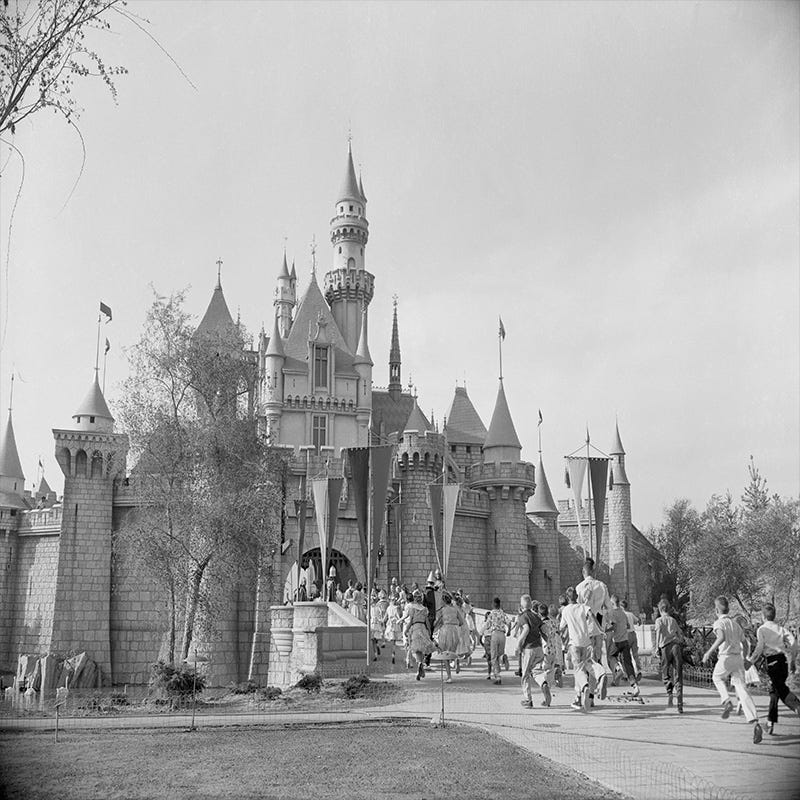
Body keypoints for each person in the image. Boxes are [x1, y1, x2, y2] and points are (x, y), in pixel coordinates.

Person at [702, 595, 763, 744]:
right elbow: (746, 644)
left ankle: (726, 700)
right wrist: (745, 659)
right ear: (728, 609)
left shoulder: (719, 622)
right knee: (742, 690)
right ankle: (755, 721)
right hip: (737, 659)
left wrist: (709, 652)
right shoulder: (736, 625)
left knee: (717, 678)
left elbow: (721, 637)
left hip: (726, 657)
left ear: (716, 610)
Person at [750, 603, 800, 735]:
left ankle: (797, 707)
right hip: (783, 661)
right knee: (775, 692)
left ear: (762, 616)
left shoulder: (761, 629)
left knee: (781, 691)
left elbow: (759, 648)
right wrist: (793, 661)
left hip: (772, 663)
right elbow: (794, 644)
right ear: (774, 616)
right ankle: (770, 723)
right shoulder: (781, 629)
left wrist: (750, 661)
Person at [575, 558, 611, 696]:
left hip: (586, 627)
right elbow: (609, 607)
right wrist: (605, 621)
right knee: (596, 657)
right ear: (593, 570)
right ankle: (597, 685)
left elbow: (579, 609)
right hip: (599, 625)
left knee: (585, 661)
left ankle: (589, 693)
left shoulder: (579, 587)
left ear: (583, 571)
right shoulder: (602, 586)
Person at [559, 586, 596, 711]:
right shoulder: (582, 607)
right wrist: (600, 629)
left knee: (578, 670)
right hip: (586, 642)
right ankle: (583, 696)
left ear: (567, 597)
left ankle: (582, 690)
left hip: (574, 643)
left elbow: (561, 627)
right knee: (584, 668)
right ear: (576, 596)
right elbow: (592, 616)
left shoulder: (565, 611)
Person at [515, 595, 551, 709]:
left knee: (525, 674)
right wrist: (547, 640)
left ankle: (528, 699)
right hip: (539, 648)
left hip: (528, 648)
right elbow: (544, 629)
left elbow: (526, 629)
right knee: (537, 671)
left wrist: (518, 645)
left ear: (521, 605)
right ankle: (543, 683)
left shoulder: (522, 616)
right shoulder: (536, 616)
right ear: (530, 605)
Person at [605, 594, 640, 697]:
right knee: (628, 663)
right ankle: (634, 686)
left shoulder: (613, 613)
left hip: (617, 641)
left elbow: (613, 626)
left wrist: (605, 630)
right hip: (625, 641)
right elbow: (628, 625)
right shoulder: (623, 613)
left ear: (612, 603)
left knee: (611, 656)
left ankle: (618, 669)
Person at [654, 598, 683, 712]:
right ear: (668, 609)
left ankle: (669, 690)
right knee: (678, 675)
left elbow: (658, 633)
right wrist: (679, 640)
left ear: (660, 610)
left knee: (665, 672)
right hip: (675, 647)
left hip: (665, 648)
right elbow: (680, 633)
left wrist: (656, 647)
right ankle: (680, 704)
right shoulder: (673, 620)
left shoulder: (659, 620)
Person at [402, 589, 435, 680]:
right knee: (423, 648)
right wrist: (429, 630)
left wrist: (406, 630)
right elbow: (427, 621)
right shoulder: (425, 609)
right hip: (423, 628)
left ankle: (419, 664)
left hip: (415, 628)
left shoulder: (412, 609)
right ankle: (421, 666)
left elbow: (411, 620)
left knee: (417, 649)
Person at [434, 593, 464, 682]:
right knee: (452, 650)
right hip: (455, 630)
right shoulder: (455, 610)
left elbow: (437, 622)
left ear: (443, 601)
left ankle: (449, 676)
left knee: (445, 654)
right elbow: (461, 622)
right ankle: (455, 660)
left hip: (445, 630)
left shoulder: (442, 610)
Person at [483, 598, 509, 684]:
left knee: (494, 657)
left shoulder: (491, 614)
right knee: (499, 654)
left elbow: (487, 625)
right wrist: (508, 632)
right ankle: (503, 657)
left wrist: (484, 631)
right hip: (502, 635)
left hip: (494, 634)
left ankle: (498, 677)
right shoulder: (503, 613)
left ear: (493, 604)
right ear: (500, 604)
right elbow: (509, 622)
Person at [542, 603, 564, 688]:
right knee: (557, 661)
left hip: (548, 647)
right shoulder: (557, 622)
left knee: (547, 667)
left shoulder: (546, 622)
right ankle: (558, 674)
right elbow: (559, 631)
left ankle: (547, 683)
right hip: (556, 644)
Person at [621, 599, 641, 680]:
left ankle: (626, 673)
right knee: (635, 654)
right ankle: (638, 670)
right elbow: (638, 621)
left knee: (624, 656)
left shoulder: (622, 615)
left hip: (626, 635)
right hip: (633, 634)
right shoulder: (630, 614)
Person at [384, 596, 404, 665]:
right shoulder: (397, 608)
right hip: (395, 624)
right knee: (394, 642)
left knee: (392, 642)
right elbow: (400, 616)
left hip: (390, 625)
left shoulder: (388, 608)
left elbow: (385, 617)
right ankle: (393, 654)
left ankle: (393, 654)